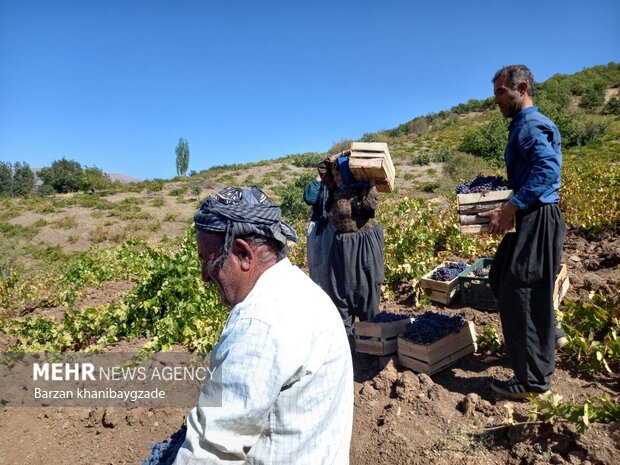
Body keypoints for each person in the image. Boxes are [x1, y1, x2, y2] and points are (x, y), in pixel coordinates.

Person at [173, 185, 354, 465]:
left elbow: (210, 452)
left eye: (208, 261)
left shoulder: (259, 323)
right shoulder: (302, 291)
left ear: (244, 254)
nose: (204, 276)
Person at [479, 65, 566, 400]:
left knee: (522, 292)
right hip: (528, 216)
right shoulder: (522, 125)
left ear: (523, 88)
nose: (497, 101)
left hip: (535, 217)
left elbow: (548, 169)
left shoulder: (530, 125)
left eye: (502, 93)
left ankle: (533, 383)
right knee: (502, 277)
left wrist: (510, 206)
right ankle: (547, 333)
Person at [325, 155, 385, 338]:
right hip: (341, 245)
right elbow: (322, 168)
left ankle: (370, 340)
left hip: (362, 244)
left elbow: (369, 207)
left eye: (338, 174)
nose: (335, 179)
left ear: (348, 173)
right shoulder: (337, 190)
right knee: (339, 291)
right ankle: (346, 341)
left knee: (365, 290)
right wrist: (342, 155)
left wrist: (371, 182)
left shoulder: (363, 189)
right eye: (334, 175)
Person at [303, 157, 336, 290]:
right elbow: (309, 198)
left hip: (332, 226)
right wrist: (319, 177)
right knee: (315, 263)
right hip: (318, 225)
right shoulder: (320, 182)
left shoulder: (338, 182)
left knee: (330, 264)